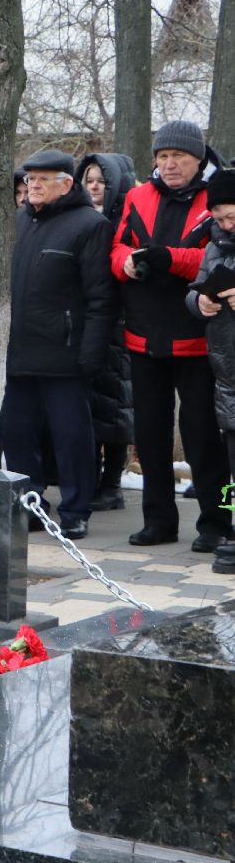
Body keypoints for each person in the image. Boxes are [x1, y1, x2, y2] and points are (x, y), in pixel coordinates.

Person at [111, 120, 231, 550]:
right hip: (143, 334)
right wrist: (125, 262)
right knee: (150, 434)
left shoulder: (215, 199)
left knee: (201, 434)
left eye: (178, 156)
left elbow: (215, 257)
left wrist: (169, 259)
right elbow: (119, 244)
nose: (169, 164)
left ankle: (216, 524)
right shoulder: (137, 196)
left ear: (198, 158)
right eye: (162, 157)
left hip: (197, 337)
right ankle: (158, 521)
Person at [0, 151, 115, 538]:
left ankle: (76, 507)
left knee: (72, 437)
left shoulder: (90, 225)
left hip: (65, 353)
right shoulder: (16, 223)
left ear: (67, 184)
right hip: (18, 351)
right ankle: (31, 503)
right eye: (30, 179)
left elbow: (101, 297)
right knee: (16, 434)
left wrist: (91, 353)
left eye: (43, 179)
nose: (33, 185)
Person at [75, 153, 137, 511]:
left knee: (115, 408)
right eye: (89, 180)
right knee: (89, 407)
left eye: (101, 181)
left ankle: (111, 483)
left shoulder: (123, 221)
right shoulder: (81, 219)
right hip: (86, 320)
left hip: (119, 322)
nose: (95, 186)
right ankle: (93, 477)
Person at [189, 168, 235, 572]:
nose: (225, 226)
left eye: (233, 217)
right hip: (227, 374)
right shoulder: (214, 247)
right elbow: (197, 289)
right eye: (219, 218)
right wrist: (198, 303)